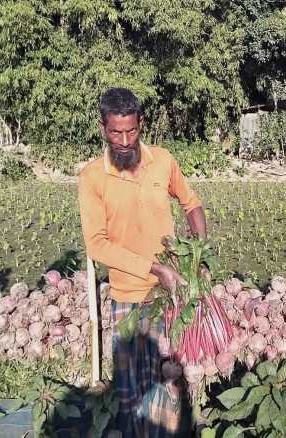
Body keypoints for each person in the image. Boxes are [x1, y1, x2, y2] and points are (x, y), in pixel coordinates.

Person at [78, 88, 207, 437]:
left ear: (141, 125)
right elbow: (97, 246)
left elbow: (191, 203)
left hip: (168, 297)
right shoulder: (91, 177)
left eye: (131, 131)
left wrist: (199, 252)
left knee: (167, 388)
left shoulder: (162, 160)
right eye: (115, 132)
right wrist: (155, 268)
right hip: (127, 295)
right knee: (130, 394)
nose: (123, 140)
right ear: (103, 126)